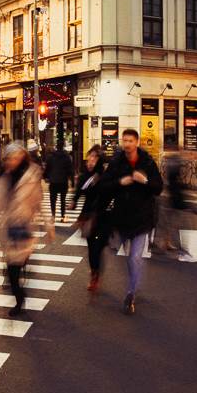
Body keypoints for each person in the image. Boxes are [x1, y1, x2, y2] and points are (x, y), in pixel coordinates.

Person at [0, 142, 52, 316]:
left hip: (25, 227)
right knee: (11, 272)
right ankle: (20, 297)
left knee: (17, 264)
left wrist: (49, 224)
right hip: (8, 228)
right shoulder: (3, 178)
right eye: (10, 158)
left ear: (23, 157)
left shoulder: (32, 176)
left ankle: (19, 299)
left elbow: (40, 203)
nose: (13, 161)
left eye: (17, 157)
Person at [98, 129, 163, 315]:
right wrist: (120, 182)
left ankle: (130, 294)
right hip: (123, 218)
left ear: (137, 142)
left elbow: (158, 188)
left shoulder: (148, 162)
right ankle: (134, 282)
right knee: (130, 258)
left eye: (130, 140)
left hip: (143, 218)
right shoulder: (116, 162)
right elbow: (104, 186)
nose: (126, 144)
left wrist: (145, 180)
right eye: (124, 140)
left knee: (135, 257)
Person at [72, 145, 109, 292]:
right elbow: (79, 190)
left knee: (98, 248)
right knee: (91, 248)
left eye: (94, 158)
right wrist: (74, 201)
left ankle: (96, 271)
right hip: (88, 216)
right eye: (89, 158)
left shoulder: (105, 176)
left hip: (103, 217)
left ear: (99, 160)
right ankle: (95, 272)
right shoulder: (85, 176)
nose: (90, 161)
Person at [43, 144, 74, 221]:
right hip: (63, 181)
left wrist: (45, 177)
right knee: (62, 200)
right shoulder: (67, 157)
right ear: (63, 147)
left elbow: (47, 168)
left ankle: (53, 215)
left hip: (53, 181)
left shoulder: (51, 157)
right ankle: (63, 215)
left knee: (53, 199)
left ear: (56, 148)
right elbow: (70, 169)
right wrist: (72, 180)